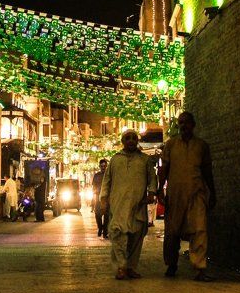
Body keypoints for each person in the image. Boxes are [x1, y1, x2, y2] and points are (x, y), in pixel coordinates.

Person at [159, 111, 216, 282]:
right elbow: (164, 169)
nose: (183, 126)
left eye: (187, 122)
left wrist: (212, 192)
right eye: (181, 123)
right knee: (172, 231)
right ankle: (171, 264)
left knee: (199, 229)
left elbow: (207, 171)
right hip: (175, 193)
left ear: (193, 124)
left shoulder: (201, 146)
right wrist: (159, 189)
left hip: (196, 192)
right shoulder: (170, 145)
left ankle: (199, 267)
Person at [98, 129, 157, 280]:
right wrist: (103, 199)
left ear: (137, 141)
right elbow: (107, 181)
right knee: (118, 235)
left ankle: (130, 267)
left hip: (138, 204)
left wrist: (151, 193)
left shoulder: (144, 160)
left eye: (133, 138)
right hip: (118, 204)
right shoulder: (115, 160)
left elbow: (152, 178)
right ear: (123, 141)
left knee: (137, 236)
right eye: (127, 138)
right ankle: (121, 267)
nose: (131, 140)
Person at [91, 158, 110, 237]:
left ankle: (105, 231)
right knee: (97, 214)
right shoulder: (96, 175)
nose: (103, 167)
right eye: (102, 166)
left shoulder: (109, 175)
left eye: (105, 166)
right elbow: (94, 186)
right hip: (98, 197)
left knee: (107, 215)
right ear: (99, 166)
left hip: (107, 198)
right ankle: (100, 228)